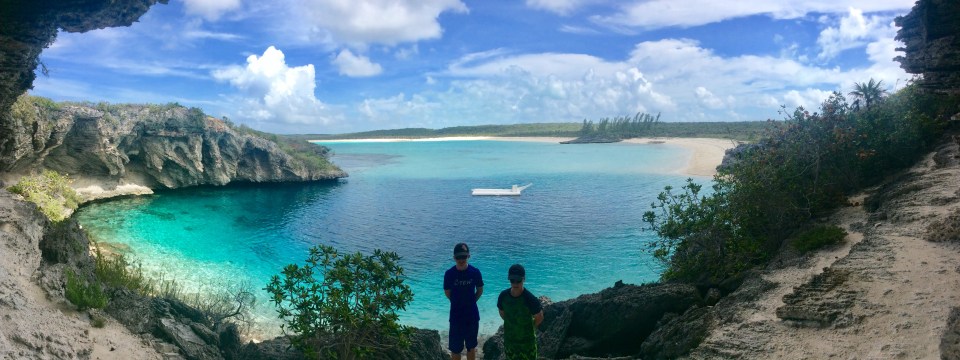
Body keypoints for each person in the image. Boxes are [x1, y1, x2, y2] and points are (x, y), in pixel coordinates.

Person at [444, 243, 484, 360]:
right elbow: (447, 292)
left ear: (468, 256)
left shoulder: (475, 272)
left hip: (471, 316)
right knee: (455, 349)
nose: (461, 260)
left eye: (464, 257)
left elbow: (480, 290)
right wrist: (457, 302)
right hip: (456, 316)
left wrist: (471, 302)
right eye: (458, 257)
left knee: (471, 347)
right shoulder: (449, 274)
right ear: (454, 258)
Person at [496, 264, 544, 360]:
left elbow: (539, 317)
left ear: (524, 279)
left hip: (527, 344)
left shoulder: (530, 299)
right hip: (510, 343)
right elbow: (502, 313)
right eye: (512, 280)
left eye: (518, 280)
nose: (515, 283)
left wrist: (527, 327)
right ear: (509, 279)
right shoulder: (503, 296)